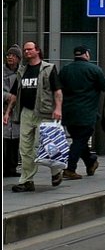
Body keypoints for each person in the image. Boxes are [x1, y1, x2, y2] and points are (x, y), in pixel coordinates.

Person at [2, 41, 63, 192]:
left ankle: (56, 171)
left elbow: (57, 91)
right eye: (25, 50)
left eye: (30, 49)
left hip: (44, 112)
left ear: (37, 51)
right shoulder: (22, 71)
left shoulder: (48, 69)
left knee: (42, 146)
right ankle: (26, 180)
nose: (27, 52)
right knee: (25, 148)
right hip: (26, 113)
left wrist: (58, 109)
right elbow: (15, 95)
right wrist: (8, 113)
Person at [58, 46, 105, 180]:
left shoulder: (65, 70)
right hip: (87, 112)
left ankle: (91, 162)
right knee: (79, 140)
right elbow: (104, 86)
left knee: (79, 140)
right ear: (86, 54)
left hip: (69, 112)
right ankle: (70, 168)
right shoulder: (94, 69)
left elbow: (58, 88)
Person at [3, 44, 23, 177]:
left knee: (14, 140)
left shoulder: (22, 72)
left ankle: (12, 167)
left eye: (14, 55)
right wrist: (6, 96)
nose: (10, 57)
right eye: (9, 55)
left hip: (16, 111)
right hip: (4, 110)